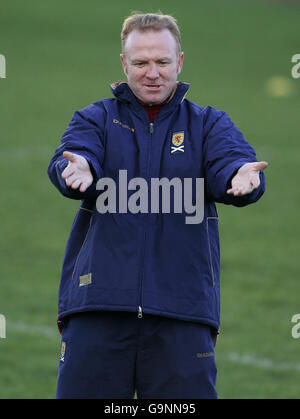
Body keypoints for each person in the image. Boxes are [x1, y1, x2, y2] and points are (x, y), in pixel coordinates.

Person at [48, 12, 267, 399]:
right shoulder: (95, 118)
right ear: (123, 64)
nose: (153, 73)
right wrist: (76, 167)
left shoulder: (209, 124)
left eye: (162, 62)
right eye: (141, 62)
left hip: (182, 314)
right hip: (97, 308)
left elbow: (230, 161)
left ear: (179, 62)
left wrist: (240, 176)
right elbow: (74, 155)